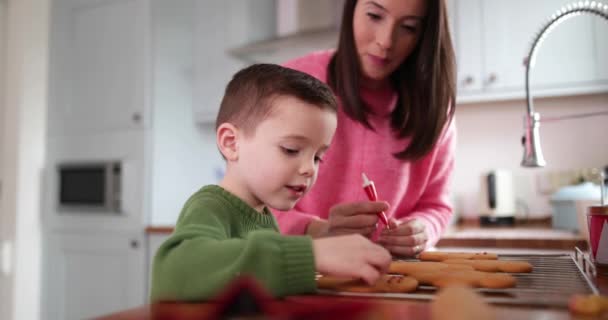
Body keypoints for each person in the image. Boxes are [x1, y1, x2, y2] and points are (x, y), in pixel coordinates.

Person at [149, 64, 392, 302]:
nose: (309, 169)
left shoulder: (264, 215)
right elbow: (176, 270)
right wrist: (312, 254)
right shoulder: (210, 206)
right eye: (291, 149)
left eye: (318, 157)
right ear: (231, 143)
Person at [275, 0, 456, 257]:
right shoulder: (290, 83)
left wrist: (423, 231)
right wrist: (316, 230)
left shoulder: (436, 105)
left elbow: (437, 206)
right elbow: (248, 203)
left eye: (409, 27)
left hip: (392, 279)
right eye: (374, 15)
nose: (386, 41)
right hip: (299, 270)